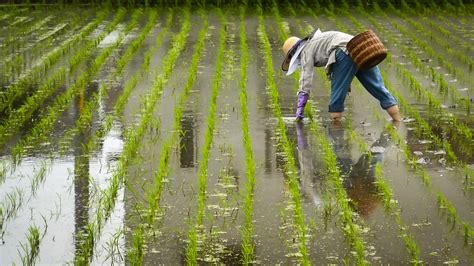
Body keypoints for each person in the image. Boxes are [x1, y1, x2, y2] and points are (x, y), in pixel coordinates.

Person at [281, 29, 401, 122]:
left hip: (344, 52)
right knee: (378, 88)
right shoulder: (318, 40)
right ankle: (398, 121)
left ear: (295, 54)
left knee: (336, 97)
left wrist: (301, 105)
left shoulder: (306, 51)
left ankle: (336, 133)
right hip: (361, 48)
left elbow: (305, 78)